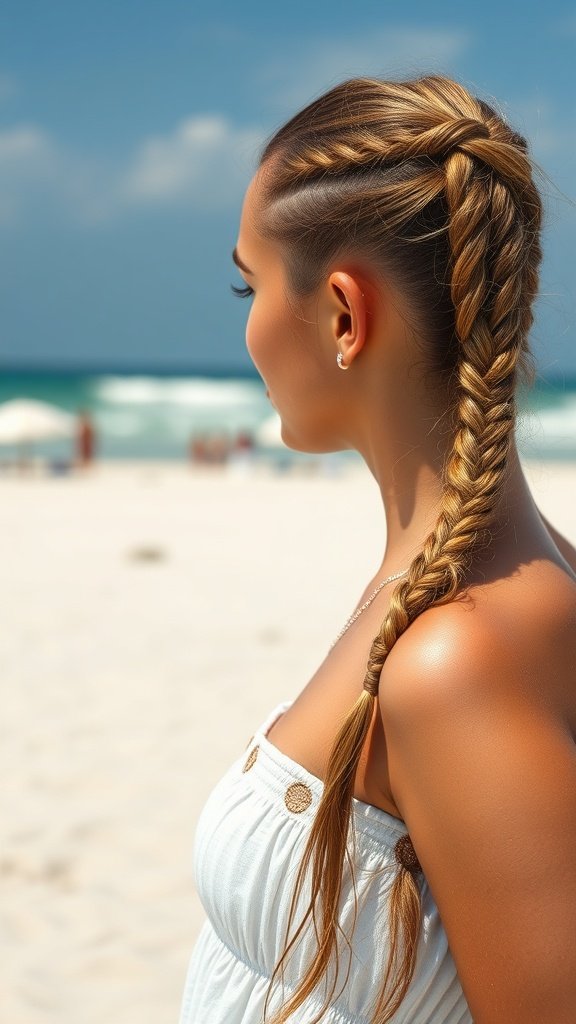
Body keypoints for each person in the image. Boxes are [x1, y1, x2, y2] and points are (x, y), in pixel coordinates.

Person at [178, 75, 576, 1023]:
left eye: (251, 281)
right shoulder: (492, 582)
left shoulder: (457, 656)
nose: (246, 326)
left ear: (344, 315)